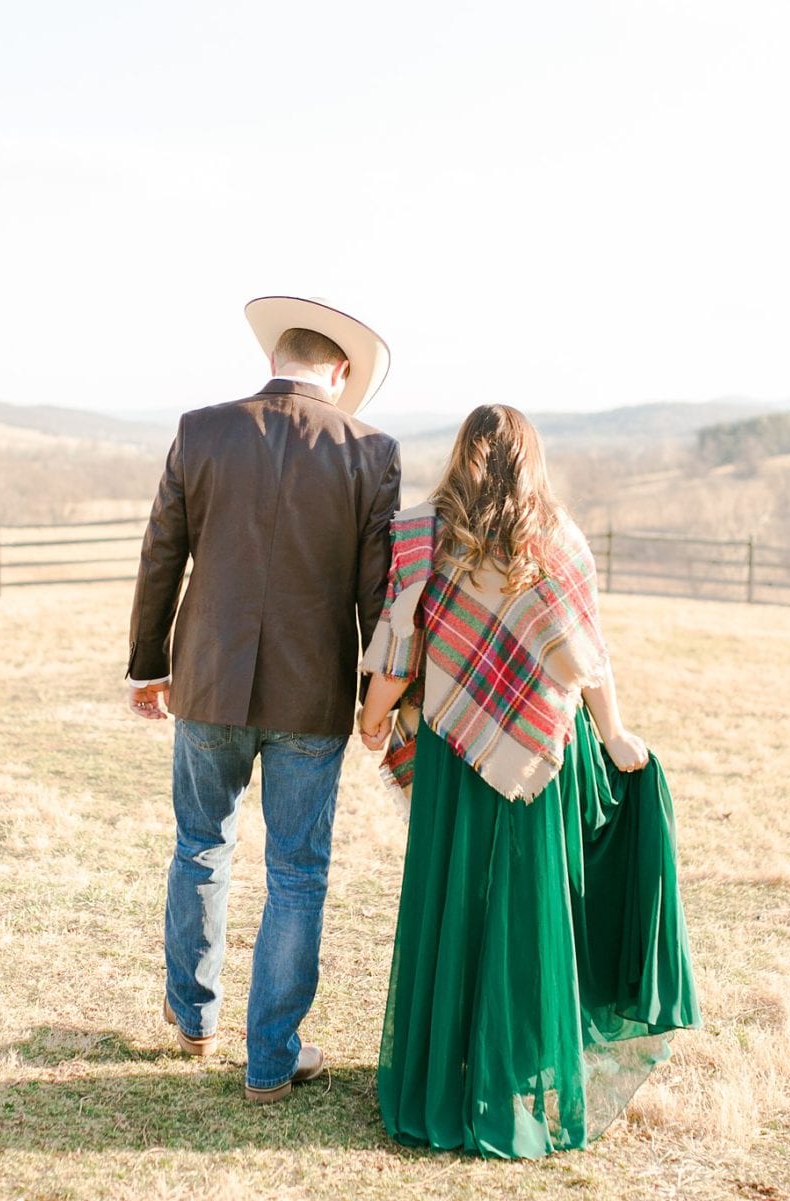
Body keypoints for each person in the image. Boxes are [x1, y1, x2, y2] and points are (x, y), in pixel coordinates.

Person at [356, 404, 699, 1158]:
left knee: (452, 903)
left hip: (453, 746)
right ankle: (517, 1068)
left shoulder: (424, 533)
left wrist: (373, 715)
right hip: (541, 752)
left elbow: (399, 642)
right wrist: (612, 734)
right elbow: (590, 656)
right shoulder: (561, 540)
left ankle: (446, 1071)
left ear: (460, 456)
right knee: (525, 909)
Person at [126, 296, 402, 1104]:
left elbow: (160, 554)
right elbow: (376, 592)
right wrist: (372, 702)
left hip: (207, 681)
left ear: (276, 356)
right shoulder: (371, 449)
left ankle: (196, 1019)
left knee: (200, 846)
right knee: (298, 874)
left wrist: (149, 664)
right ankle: (271, 1059)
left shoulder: (200, 428)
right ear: (340, 371)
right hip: (312, 696)